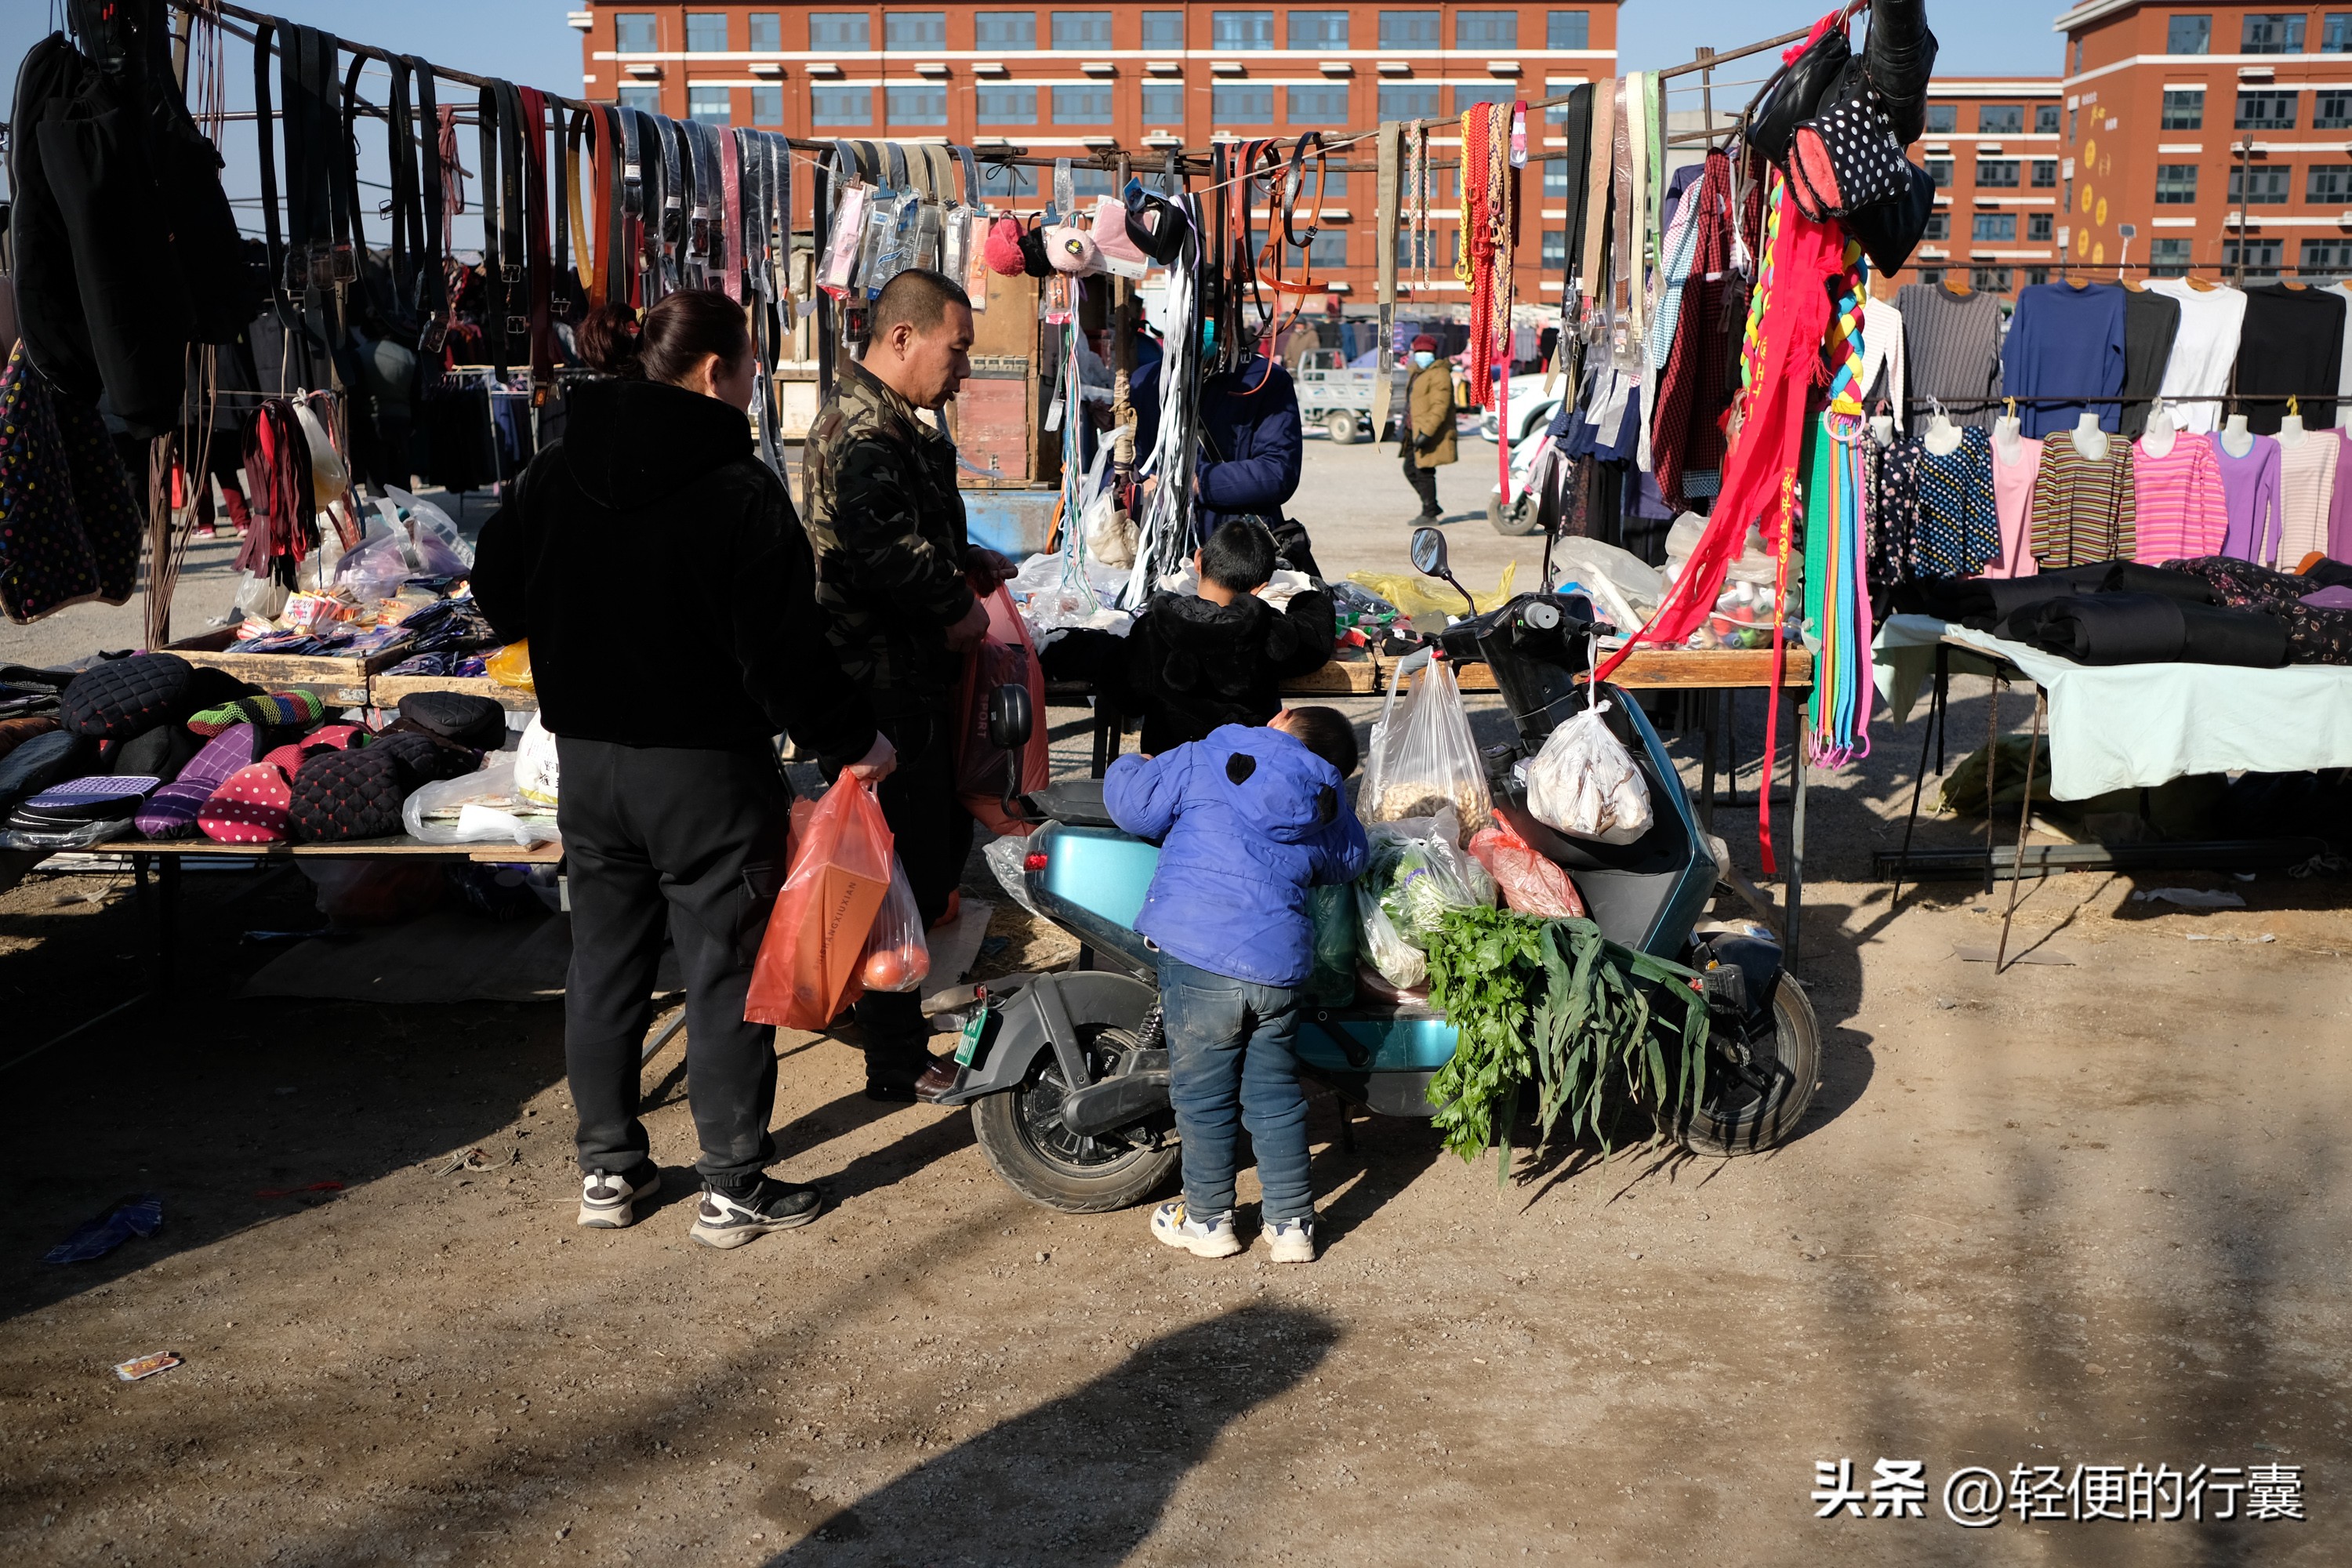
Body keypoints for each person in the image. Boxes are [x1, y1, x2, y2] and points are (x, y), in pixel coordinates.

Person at [472, 288, 896, 1250]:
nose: (751, 389)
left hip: (588, 765)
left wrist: (583, 621)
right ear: (717, 372)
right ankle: (732, 1185)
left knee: (605, 966)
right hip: (706, 773)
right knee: (722, 971)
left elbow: (494, 591)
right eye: (750, 370)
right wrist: (854, 740)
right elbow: (784, 654)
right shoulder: (737, 489)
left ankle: (609, 1171)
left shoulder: (554, 468)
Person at [801, 268, 1014, 1102]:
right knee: (897, 876)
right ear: (903, 338)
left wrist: (965, 562)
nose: (961, 371)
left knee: (925, 863)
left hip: (907, 677)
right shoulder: (863, 431)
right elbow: (879, 552)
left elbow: (906, 533)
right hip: (881, 689)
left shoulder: (893, 423)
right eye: (956, 350)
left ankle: (889, 1021)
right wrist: (951, 602)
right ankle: (892, 1054)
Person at [1102, 706, 1369, 1264]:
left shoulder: (1206, 757)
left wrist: (1134, 762)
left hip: (1199, 958)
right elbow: (1349, 859)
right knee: (1275, 1097)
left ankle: (1208, 1221)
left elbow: (1132, 810)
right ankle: (1292, 1225)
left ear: (1281, 717)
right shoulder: (1324, 800)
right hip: (1278, 968)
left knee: (1202, 1097)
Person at [1115, 517, 1335, 756]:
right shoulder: (1267, 631)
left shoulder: (1154, 627)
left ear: (1198, 561)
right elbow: (1316, 642)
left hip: (1169, 777)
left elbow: (1127, 699)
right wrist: (1307, 601)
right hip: (1241, 778)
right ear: (1260, 587)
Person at [1195, 354, 1303, 536]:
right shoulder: (1146, 380)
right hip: (1159, 543)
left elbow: (1278, 471)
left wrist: (1200, 482)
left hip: (1239, 541)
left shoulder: (1266, 378)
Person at [1402, 335, 1457, 526]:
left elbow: (1440, 406)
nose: (1423, 355)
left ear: (1434, 353)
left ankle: (1429, 513)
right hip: (1414, 430)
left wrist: (1427, 431)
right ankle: (1431, 506)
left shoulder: (1439, 373)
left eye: (1427, 351)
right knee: (1410, 468)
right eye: (1419, 352)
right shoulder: (1418, 372)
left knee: (1424, 471)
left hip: (1428, 431)